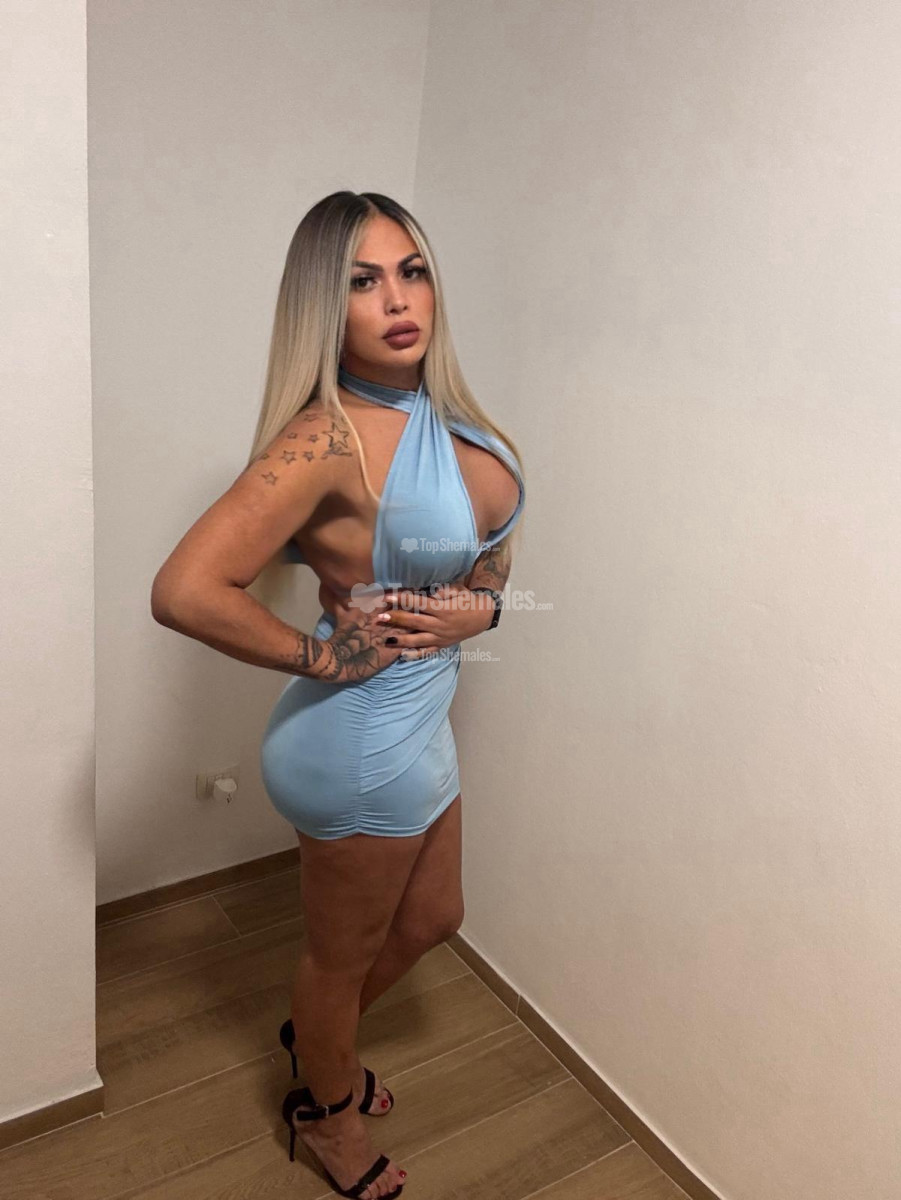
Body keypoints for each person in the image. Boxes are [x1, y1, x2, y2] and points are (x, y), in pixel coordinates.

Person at [151, 191, 526, 1200]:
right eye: (363, 282)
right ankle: (326, 1113)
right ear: (326, 306)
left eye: (411, 270)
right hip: (358, 746)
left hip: (420, 724)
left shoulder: (450, 417)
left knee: (435, 916)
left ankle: (320, 1041)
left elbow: (491, 554)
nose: (397, 299)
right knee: (336, 960)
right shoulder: (327, 441)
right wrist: (321, 661)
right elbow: (184, 591)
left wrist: (483, 610)